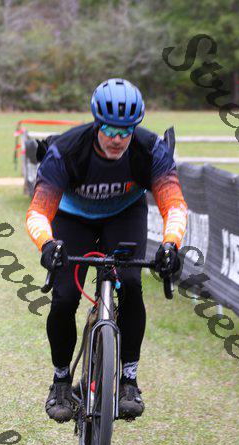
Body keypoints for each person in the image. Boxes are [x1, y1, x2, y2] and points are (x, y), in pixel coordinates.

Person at [26, 78, 187, 423]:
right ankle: (60, 382)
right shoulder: (68, 150)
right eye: (110, 130)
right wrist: (48, 244)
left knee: (131, 284)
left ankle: (129, 380)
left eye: (126, 131)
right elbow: (39, 211)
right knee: (64, 298)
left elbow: (173, 204)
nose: (117, 139)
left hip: (124, 215)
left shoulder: (149, 149)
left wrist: (171, 244)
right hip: (73, 218)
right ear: (97, 124)